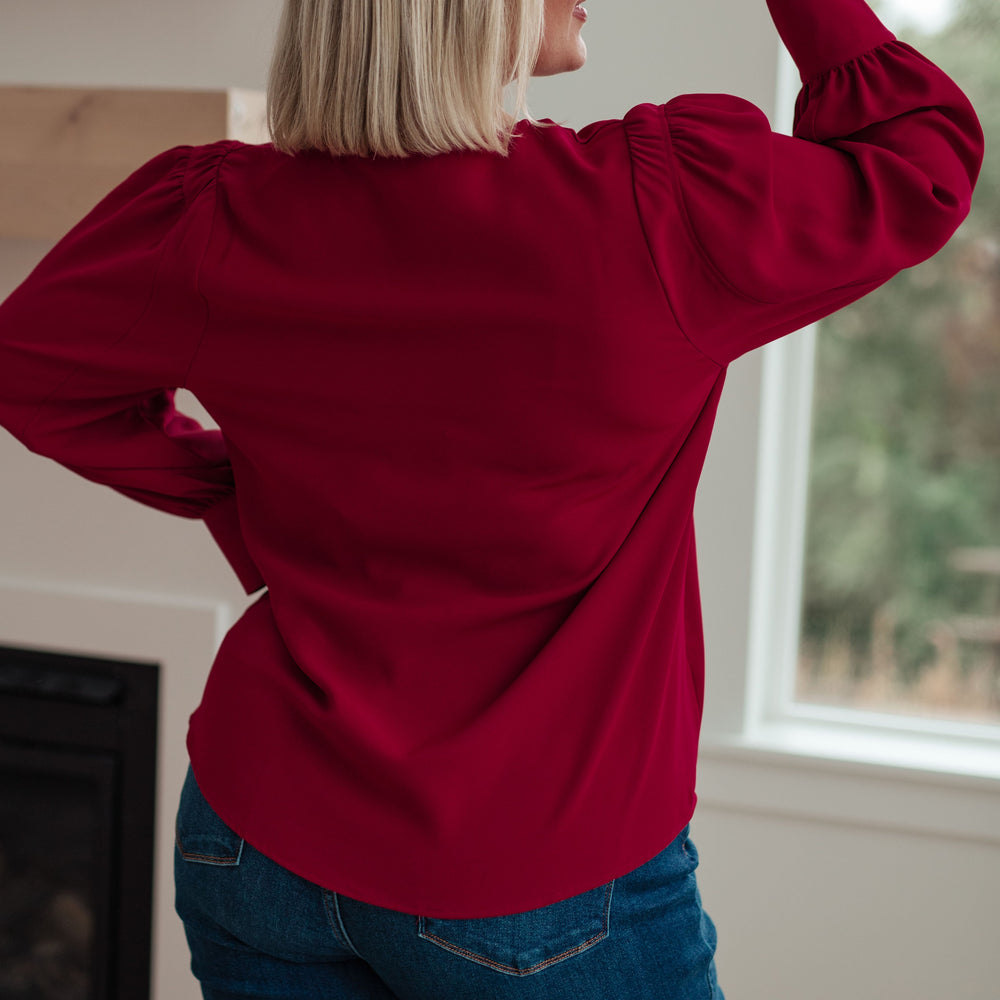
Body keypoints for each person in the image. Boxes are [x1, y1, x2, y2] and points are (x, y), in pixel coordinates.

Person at [0, 0, 983, 996]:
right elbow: (919, 159)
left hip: (254, 841)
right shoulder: (656, 208)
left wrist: (234, 495)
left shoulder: (209, 215)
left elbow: (29, 374)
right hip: (534, 883)